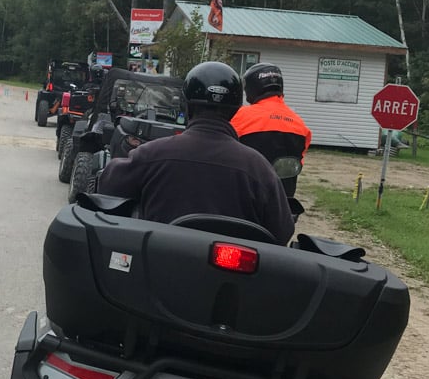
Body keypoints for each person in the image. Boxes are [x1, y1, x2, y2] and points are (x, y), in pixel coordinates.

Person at [97, 61, 295, 244]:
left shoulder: (152, 154)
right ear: (235, 109)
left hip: (159, 268)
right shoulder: (260, 169)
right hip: (232, 279)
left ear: (187, 104)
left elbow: (108, 187)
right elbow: (282, 232)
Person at [231, 63, 312, 197]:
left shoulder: (239, 116)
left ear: (252, 88)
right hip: (283, 201)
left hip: (245, 197)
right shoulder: (300, 125)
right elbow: (297, 164)